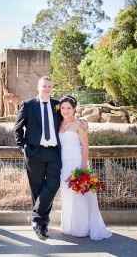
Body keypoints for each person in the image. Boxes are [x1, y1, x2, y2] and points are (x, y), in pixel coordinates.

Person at [58, 95, 112, 240]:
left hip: (76, 162)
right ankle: (69, 226)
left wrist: (83, 167)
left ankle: (81, 228)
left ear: (74, 109)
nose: (65, 110)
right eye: (63, 107)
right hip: (63, 164)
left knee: (79, 196)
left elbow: (85, 146)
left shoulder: (79, 125)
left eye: (69, 108)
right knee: (67, 195)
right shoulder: (59, 124)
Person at [14, 76, 62, 240]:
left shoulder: (57, 105)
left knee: (54, 184)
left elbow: (67, 120)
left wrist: (81, 124)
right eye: (44, 86)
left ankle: (36, 218)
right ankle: (42, 224)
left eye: (49, 86)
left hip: (54, 152)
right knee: (37, 188)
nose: (47, 89)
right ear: (38, 87)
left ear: (52, 88)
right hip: (34, 153)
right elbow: (18, 128)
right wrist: (23, 148)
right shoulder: (28, 105)